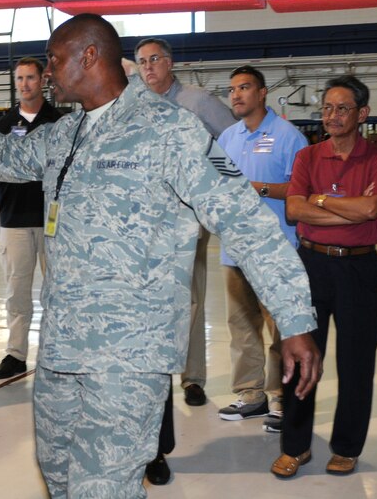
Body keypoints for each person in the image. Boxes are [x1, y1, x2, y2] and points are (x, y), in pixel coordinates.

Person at [0, 13, 322, 498]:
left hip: (127, 356)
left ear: (89, 55)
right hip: (61, 351)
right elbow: (1, 157)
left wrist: (295, 319)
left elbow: (247, 221)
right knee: (58, 477)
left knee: (102, 490)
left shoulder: (170, 131)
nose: (47, 71)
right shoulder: (65, 133)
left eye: (54, 59)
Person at [272, 75, 377, 478]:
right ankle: (295, 446)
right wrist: (344, 207)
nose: (333, 115)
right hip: (311, 267)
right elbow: (294, 210)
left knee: (357, 363)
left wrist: (320, 200)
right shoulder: (308, 157)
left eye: (343, 108)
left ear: (362, 114)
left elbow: (371, 210)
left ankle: (345, 447)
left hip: (360, 270)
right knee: (299, 356)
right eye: (327, 108)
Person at [134, 37, 236, 485]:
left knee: (190, 299)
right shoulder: (131, 104)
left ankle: (192, 377)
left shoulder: (199, 102)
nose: (149, 67)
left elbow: (232, 147)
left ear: (170, 64)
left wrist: (216, 195)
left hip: (188, 219)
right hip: (143, 225)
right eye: (142, 61)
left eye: (156, 59)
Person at [217, 66, 308, 434]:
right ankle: (250, 394)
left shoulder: (289, 137)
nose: (236, 95)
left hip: (275, 250)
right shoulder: (227, 137)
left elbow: (300, 190)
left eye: (244, 88)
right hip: (234, 249)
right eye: (232, 89)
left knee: (280, 328)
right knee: (242, 327)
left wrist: (259, 188)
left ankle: (281, 399)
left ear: (263, 93)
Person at [0, 57, 62, 380]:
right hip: (15, 220)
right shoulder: (4, 126)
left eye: (30, 78)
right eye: (19, 79)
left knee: (58, 290)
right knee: (16, 291)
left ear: (42, 80)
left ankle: (56, 353)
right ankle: (16, 354)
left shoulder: (59, 123)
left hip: (53, 221)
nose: (24, 84)